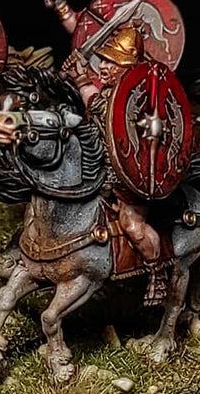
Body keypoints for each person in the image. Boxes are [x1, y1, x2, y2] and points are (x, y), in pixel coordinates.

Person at [62, 25, 168, 303]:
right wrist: (79, 77)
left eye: (112, 63)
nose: (103, 67)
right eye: (103, 60)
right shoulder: (109, 94)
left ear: (128, 69)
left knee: (131, 225)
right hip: (100, 174)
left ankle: (156, 273)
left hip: (130, 179)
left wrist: (82, 79)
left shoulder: (141, 100)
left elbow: (134, 132)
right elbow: (96, 104)